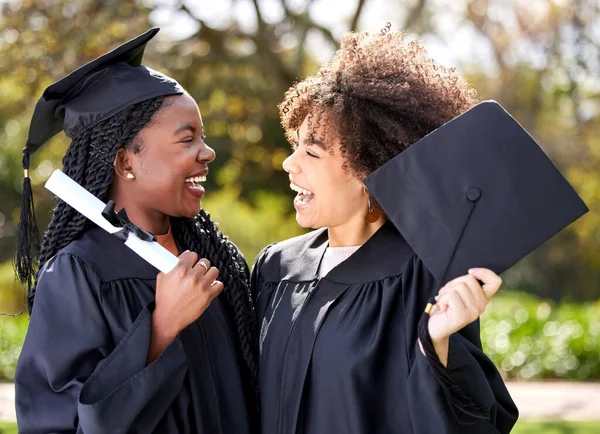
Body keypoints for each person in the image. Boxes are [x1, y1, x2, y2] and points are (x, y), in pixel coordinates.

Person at [250, 27, 521, 433]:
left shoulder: (423, 277)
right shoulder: (276, 268)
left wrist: (438, 346)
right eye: (294, 145)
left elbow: (477, 421)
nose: (290, 164)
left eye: (311, 151)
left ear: (370, 172)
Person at [14, 29, 258, 433]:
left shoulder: (217, 260)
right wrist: (161, 328)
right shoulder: (80, 273)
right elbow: (60, 425)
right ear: (126, 161)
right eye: (187, 139)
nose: (207, 151)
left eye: (204, 137)